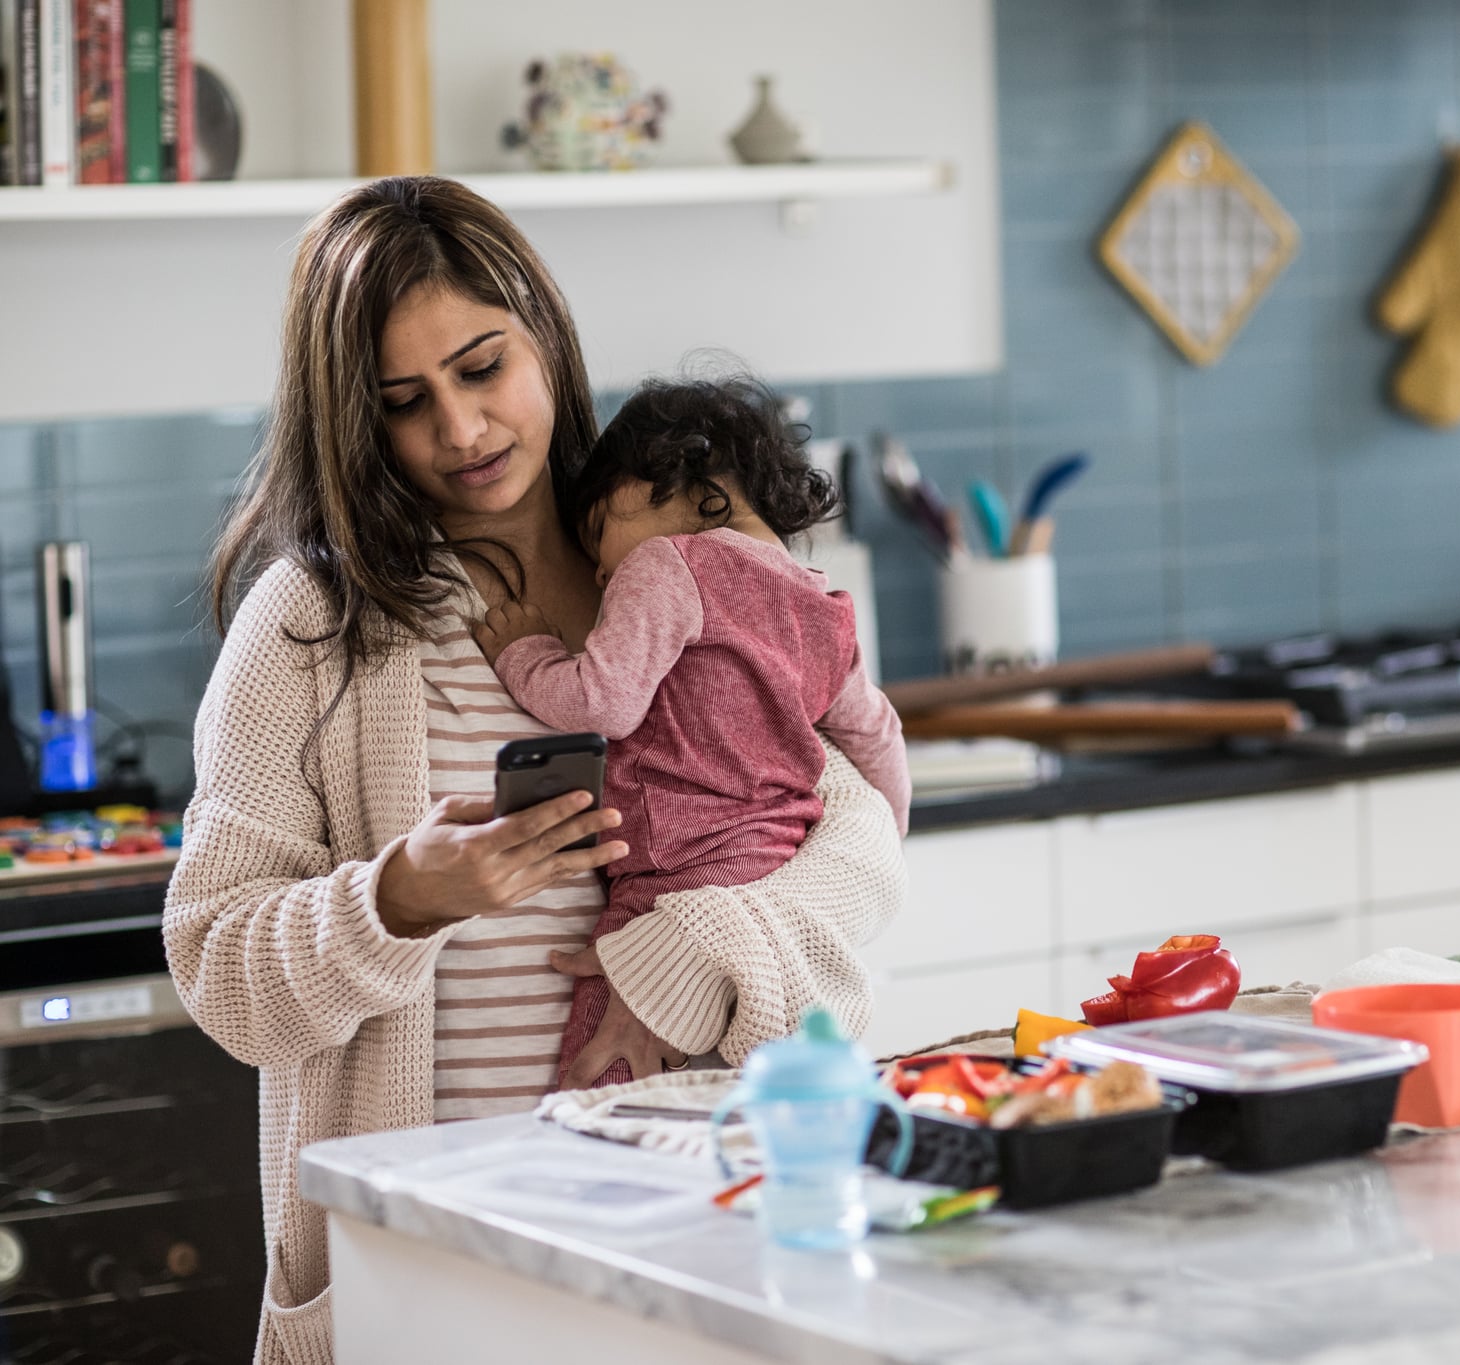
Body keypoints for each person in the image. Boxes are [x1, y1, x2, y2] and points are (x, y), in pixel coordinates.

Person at [162, 176, 904, 1365]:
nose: (459, 429)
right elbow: (218, 972)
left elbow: (857, 844)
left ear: (544, 336)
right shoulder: (315, 622)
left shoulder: (677, 556)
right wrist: (401, 897)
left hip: (699, 1233)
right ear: (356, 422)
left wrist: (696, 949)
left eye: (481, 367)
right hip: (438, 1276)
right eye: (405, 403)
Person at [473, 374, 911, 1090]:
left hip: (673, 883)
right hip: (773, 869)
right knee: (726, 1098)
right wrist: (890, 831)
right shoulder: (824, 605)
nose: (598, 568)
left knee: (599, 1078)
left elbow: (604, 701)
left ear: (669, 479)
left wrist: (524, 652)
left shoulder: (668, 563)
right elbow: (876, 736)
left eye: (596, 535)